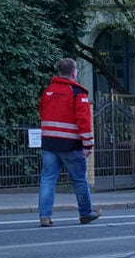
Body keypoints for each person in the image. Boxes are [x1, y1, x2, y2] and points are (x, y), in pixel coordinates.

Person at [37, 58, 101, 227]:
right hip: (70, 144)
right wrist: (88, 144)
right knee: (79, 180)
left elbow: (42, 113)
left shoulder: (48, 91)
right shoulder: (77, 92)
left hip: (49, 143)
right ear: (74, 72)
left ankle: (45, 216)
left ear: (59, 72)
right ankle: (86, 213)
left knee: (48, 179)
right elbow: (83, 120)